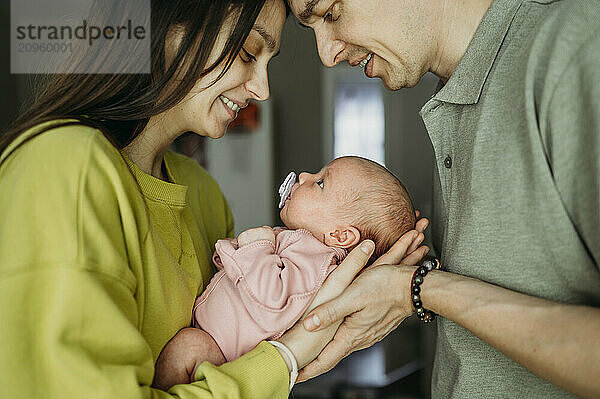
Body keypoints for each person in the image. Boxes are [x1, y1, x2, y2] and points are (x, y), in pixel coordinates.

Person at [0, 0, 428, 397]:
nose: (262, 89)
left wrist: (363, 304)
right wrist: (290, 353)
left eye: (267, 62)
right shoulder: (66, 168)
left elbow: (230, 354)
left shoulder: (201, 192)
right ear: (170, 30)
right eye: (247, 52)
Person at [284, 0, 600, 398]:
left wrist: (419, 288)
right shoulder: (452, 97)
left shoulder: (576, 51)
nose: (326, 55)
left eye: (331, 13)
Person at [152, 155, 422, 390]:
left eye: (320, 183)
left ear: (340, 235)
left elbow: (272, 300)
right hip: (222, 341)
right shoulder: (306, 250)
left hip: (224, 350)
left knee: (185, 348)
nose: (304, 175)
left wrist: (257, 244)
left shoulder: (316, 259)